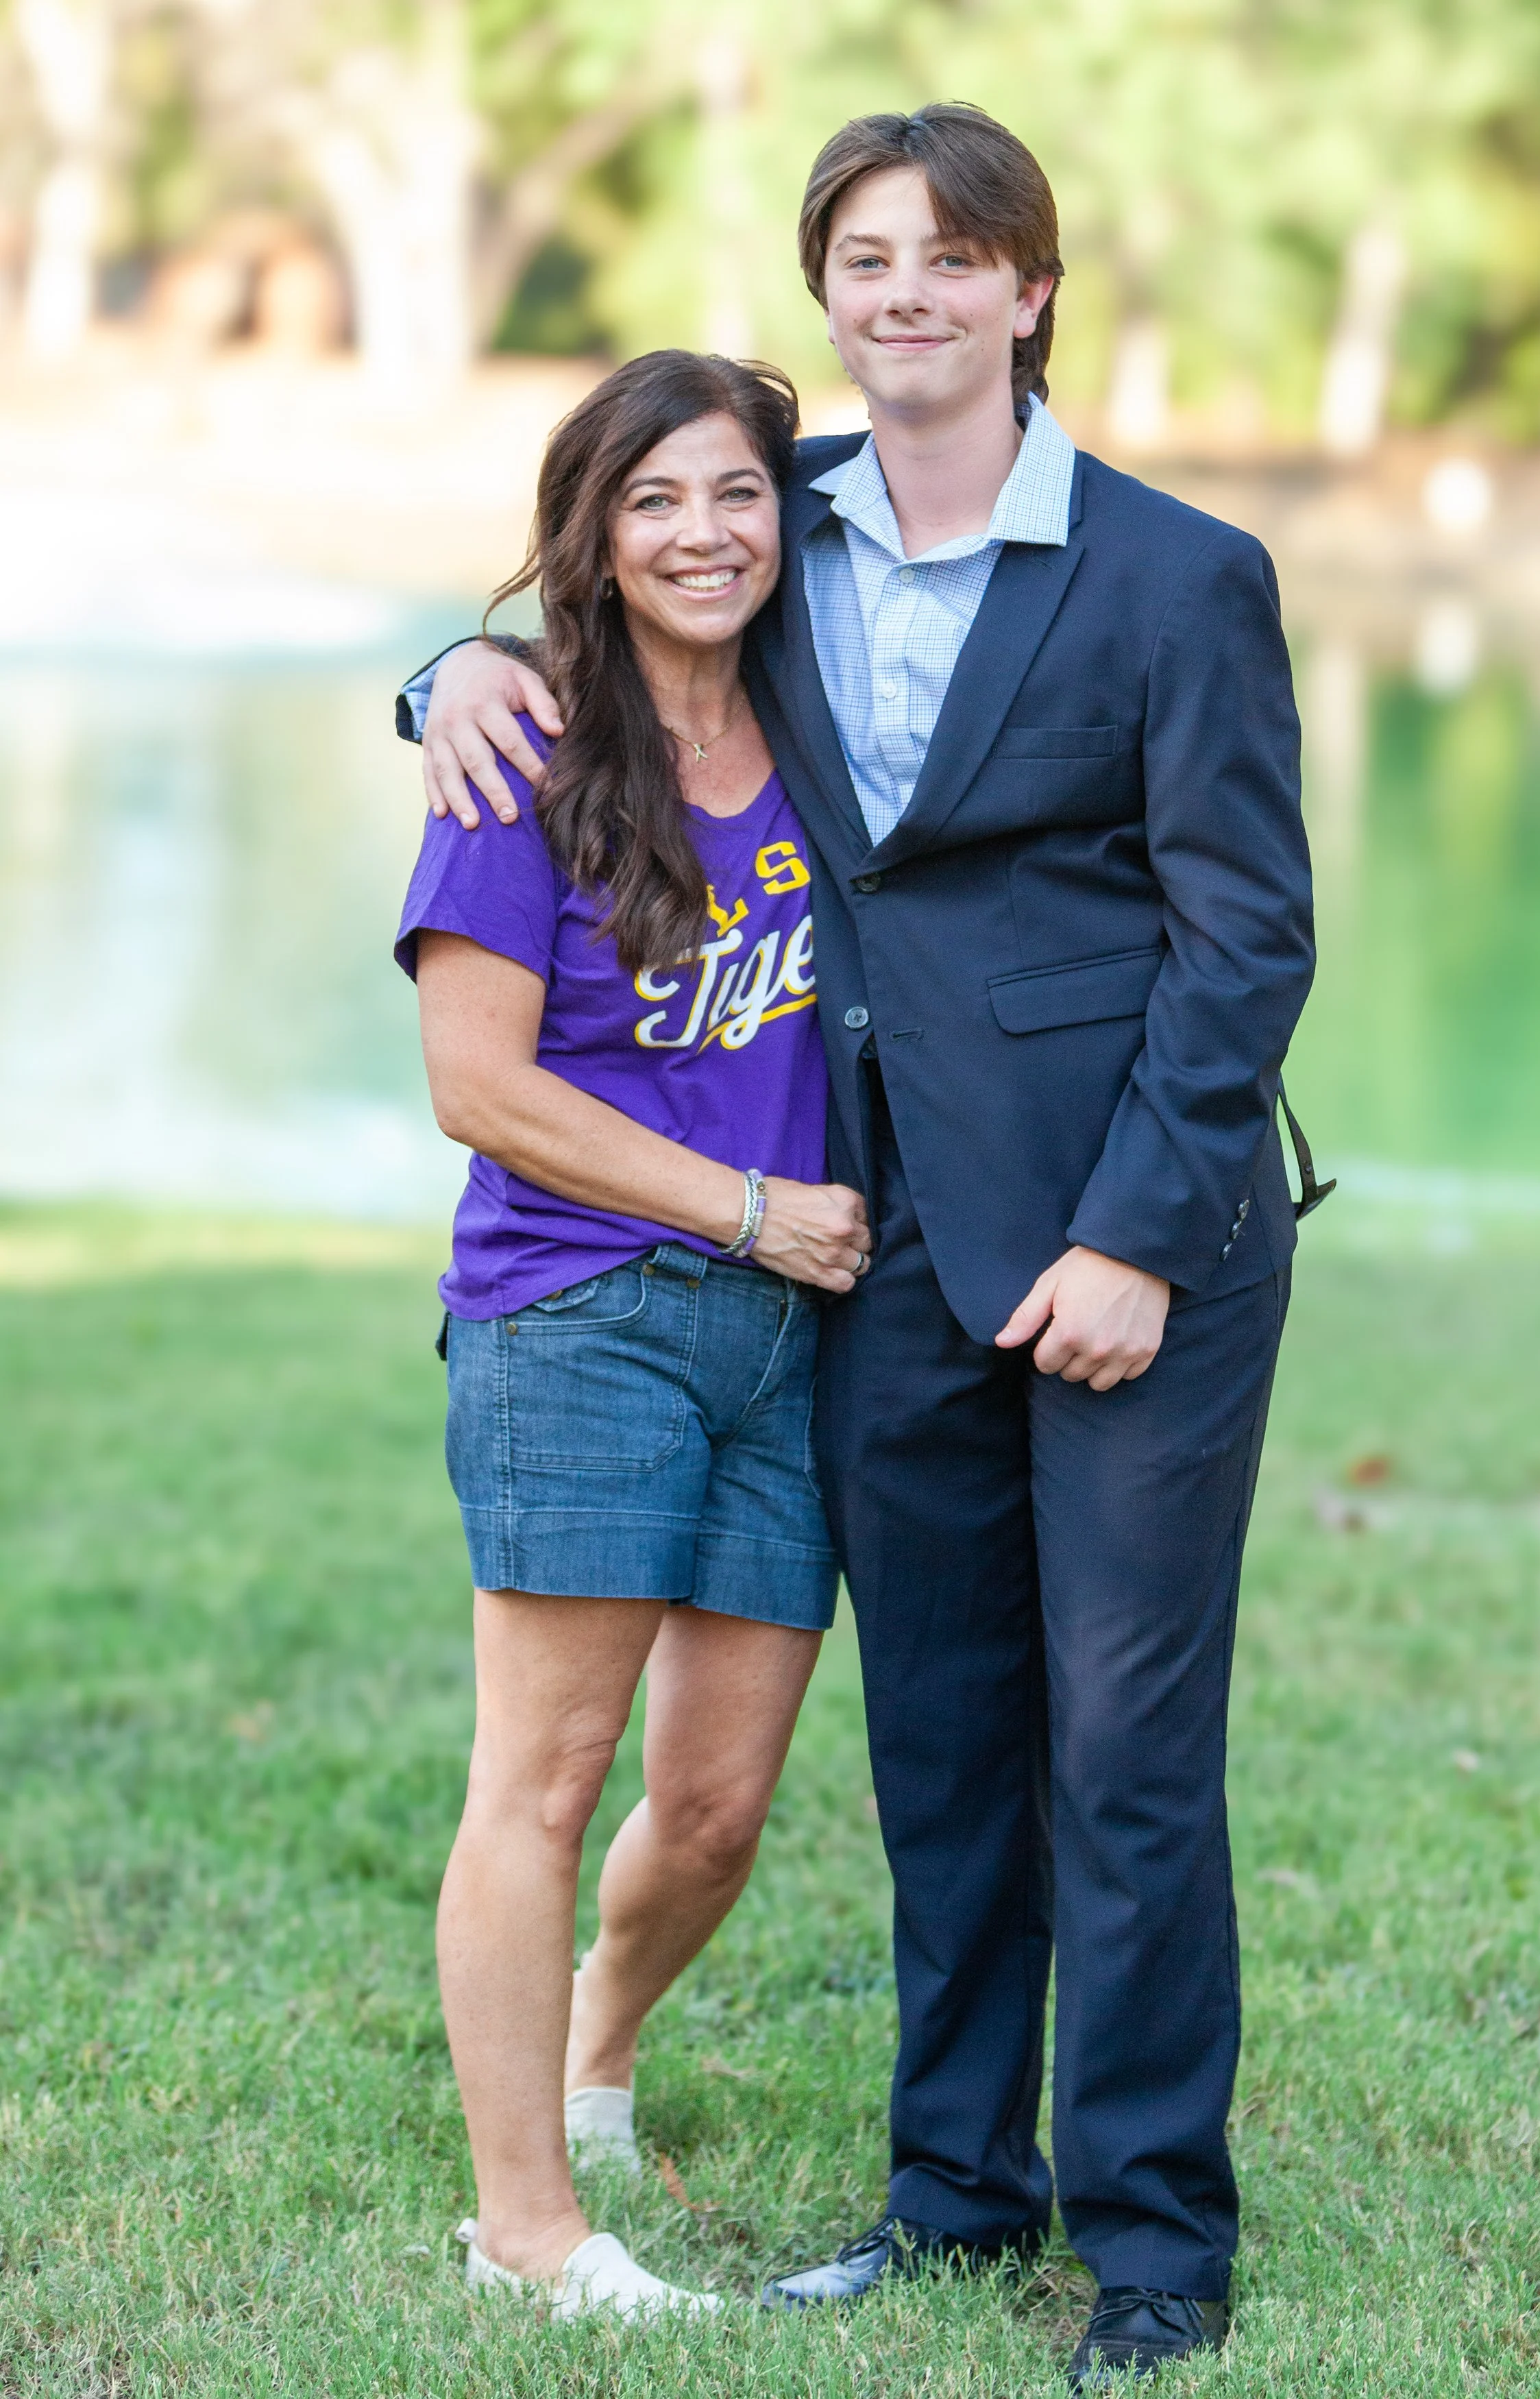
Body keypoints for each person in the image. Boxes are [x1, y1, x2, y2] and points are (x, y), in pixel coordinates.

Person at [400, 104, 1320, 2389]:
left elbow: (1246, 940)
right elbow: (605, 589)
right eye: (865, 260)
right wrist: (445, 676)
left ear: (1030, 290)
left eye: (950, 258)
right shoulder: (776, 521)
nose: (904, 295)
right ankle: (950, 2194)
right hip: (880, 1239)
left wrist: (1135, 1239)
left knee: (1120, 1746)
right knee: (940, 1739)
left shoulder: (1175, 574)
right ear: (827, 294)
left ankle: (1151, 2239)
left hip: (1129, 1243)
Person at [395, 349, 871, 2325]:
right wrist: (746, 1205)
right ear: (592, 538)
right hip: (581, 1311)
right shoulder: (524, 752)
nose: (702, 532)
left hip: (794, 1337)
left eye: (737, 492)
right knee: (544, 1776)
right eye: (653, 500)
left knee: (719, 1808)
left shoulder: (828, 720)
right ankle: (524, 2231)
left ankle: (596, 2044)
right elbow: (477, 1086)